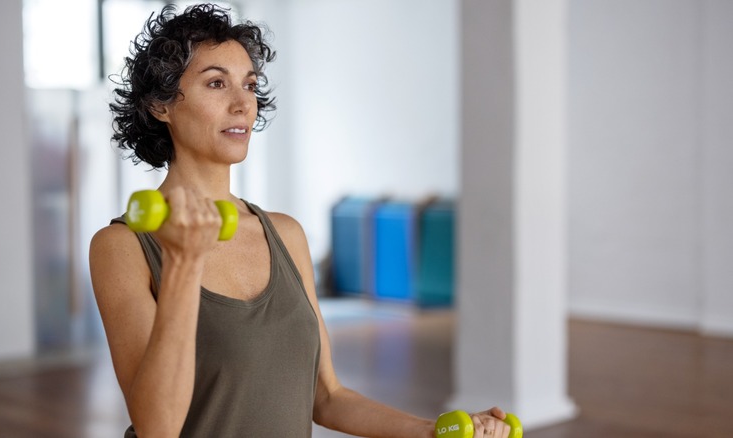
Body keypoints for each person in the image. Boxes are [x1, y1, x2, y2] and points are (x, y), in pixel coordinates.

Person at [89, 3, 511, 437]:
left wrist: (434, 431)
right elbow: (156, 427)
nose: (242, 105)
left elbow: (327, 396)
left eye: (249, 85)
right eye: (216, 83)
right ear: (161, 105)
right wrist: (183, 265)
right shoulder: (122, 246)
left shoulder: (285, 234)